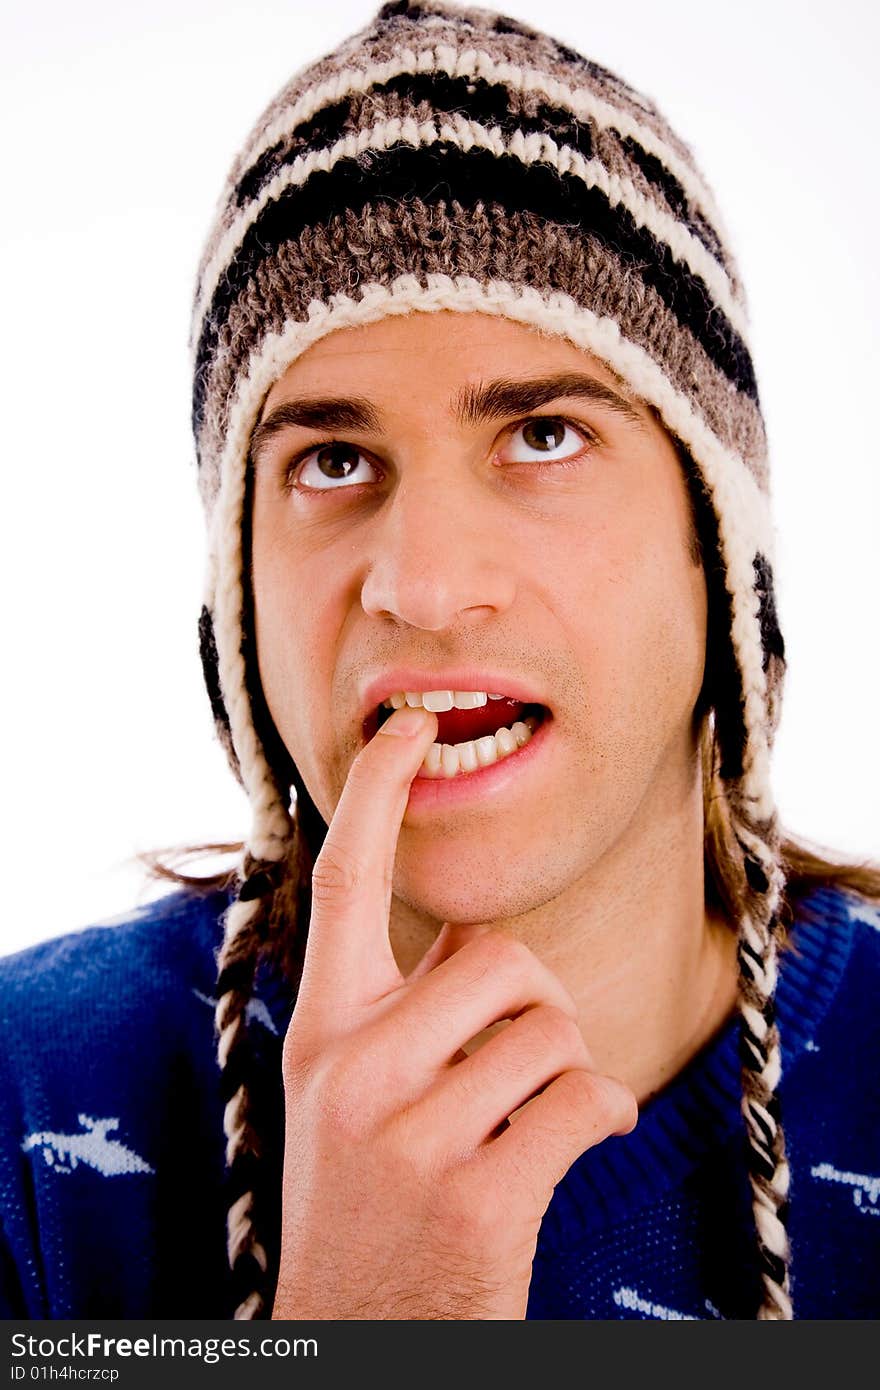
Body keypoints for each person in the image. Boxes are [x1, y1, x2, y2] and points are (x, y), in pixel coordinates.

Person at [1, 0, 878, 1323]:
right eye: (332, 461)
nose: (421, 583)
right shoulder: (27, 1106)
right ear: (239, 600)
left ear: (717, 544)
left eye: (542, 436)